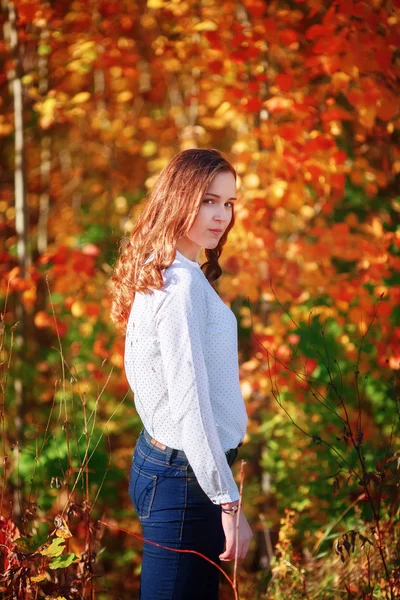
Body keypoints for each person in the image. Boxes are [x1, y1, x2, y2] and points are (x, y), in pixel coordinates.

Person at [107, 148, 253, 599]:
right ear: (179, 198)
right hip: (186, 478)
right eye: (209, 200)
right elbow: (190, 399)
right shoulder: (180, 284)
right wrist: (227, 500)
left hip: (176, 469)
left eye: (228, 203)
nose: (221, 215)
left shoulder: (173, 269)